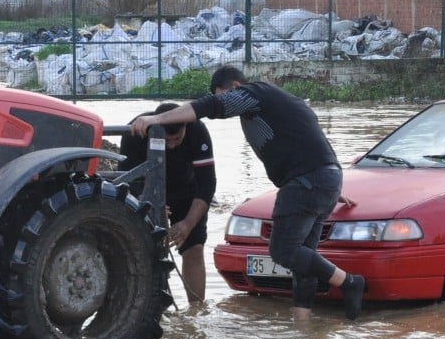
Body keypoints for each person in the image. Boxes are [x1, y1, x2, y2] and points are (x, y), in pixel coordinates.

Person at [129, 66, 366, 320]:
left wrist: (156, 120)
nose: (225, 103)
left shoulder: (254, 94)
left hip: (306, 182)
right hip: (322, 179)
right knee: (302, 259)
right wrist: (327, 185)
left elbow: (209, 106)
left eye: (224, 96)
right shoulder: (280, 102)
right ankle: (303, 327)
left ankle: (349, 282)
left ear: (234, 88)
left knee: (283, 251)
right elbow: (310, 140)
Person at [121, 102, 216, 304]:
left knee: (194, 249)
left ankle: (196, 310)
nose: (172, 145)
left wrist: (188, 224)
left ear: (185, 127)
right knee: (143, 252)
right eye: (167, 140)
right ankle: (148, 307)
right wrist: (148, 203)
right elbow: (126, 180)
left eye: (177, 139)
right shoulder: (135, 131)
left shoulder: (197, 130)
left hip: (187, 191)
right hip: (146, 191)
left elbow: (207, 184)